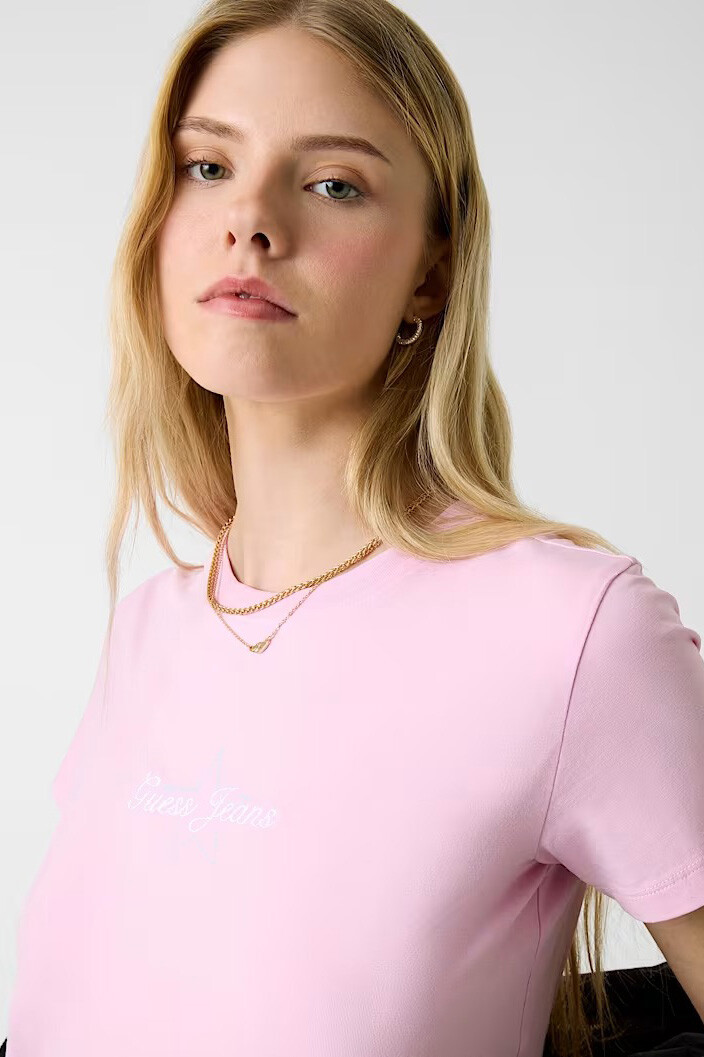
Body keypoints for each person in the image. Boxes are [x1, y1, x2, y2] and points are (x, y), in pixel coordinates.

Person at [4, 2, 704, 1056]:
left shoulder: (569, 633)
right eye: (207, 167)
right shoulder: (147, 632)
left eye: (333, 183)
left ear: (430, 270)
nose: (251, 220)